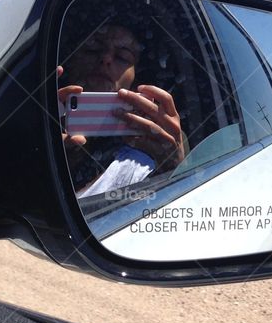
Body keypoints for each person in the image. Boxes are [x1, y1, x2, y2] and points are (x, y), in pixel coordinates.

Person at [57, 22, 185, 198]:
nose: (106, 58)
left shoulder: (148, 144)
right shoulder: (38, 118)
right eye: (93, 49)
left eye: (122, 57)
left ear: (134, 81)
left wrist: (172, 168)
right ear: (70, 61)